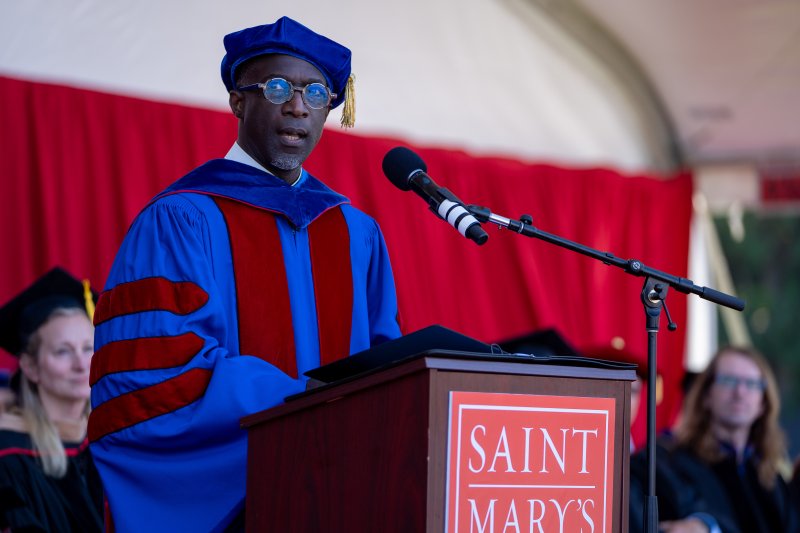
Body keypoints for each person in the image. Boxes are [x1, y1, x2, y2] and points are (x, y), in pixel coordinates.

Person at [88, 16, 402, 532]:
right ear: (238, 102)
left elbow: (386, 364)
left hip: (345, 497)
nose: (298, 106)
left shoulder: (355, 232)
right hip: (235, 506)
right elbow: (156, 380)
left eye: (317, 93)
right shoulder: (183, 219)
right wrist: (308, 403)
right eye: (277, 87)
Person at [633, 346, 798, 533]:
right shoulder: (667, 461)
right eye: (729, 381)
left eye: (752, 384)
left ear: (763, 403)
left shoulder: (768, 475)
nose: (740, 392)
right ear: (706, 395)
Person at [0, 267, 103, 532]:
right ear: (31, 367)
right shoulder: (8, 457)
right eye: (63, 351)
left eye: (88, 348)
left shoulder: (111, 439)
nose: (82, 364)